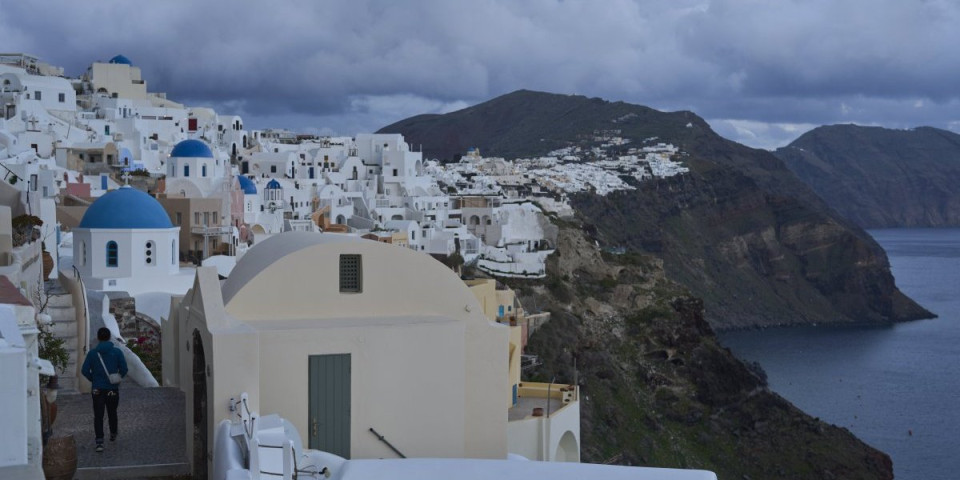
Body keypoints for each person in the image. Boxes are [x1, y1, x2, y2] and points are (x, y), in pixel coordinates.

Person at [81, 327, 128, 452]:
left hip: (97, 389)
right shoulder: (117, 352)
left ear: (98, 338)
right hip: (112, 389)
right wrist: (117, 377)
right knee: (112, 412)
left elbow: (84, 370)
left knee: (98, 415)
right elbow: (124, 369)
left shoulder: (92, 353)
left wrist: (94, 379)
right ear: (109, 337)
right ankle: (113, 433)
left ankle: (99, 441)